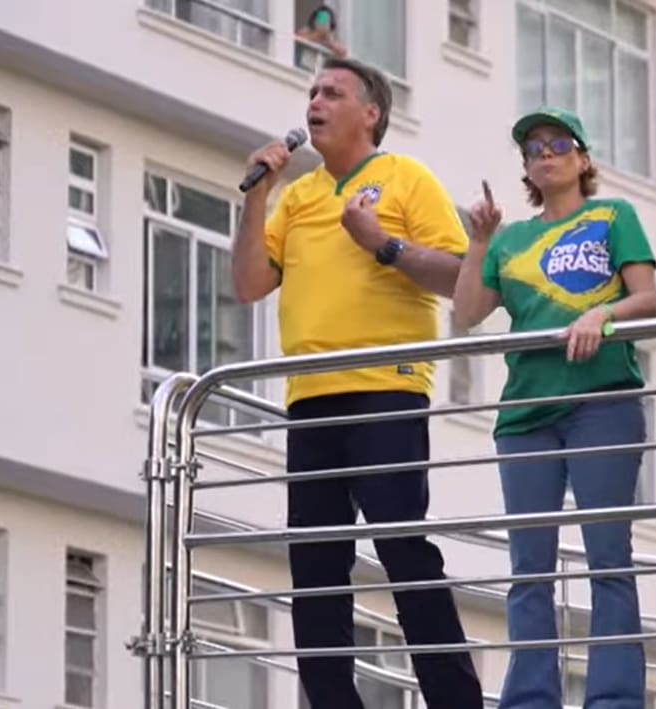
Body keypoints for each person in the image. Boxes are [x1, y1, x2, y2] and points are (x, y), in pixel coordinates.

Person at [232, 58, 482, 709]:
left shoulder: (405, 178)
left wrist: (384, 245)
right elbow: (249, 284)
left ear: (370, 113)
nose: (316, 100)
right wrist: (257, 194)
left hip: (385, 387)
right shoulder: (298, 195)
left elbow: (460, 278)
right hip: (310, 397)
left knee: (402, 546)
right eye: (312, 91)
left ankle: (454, 699)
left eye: (332, 92)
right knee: (315, 566)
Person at [451, 107, 656, 709]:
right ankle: (531, 698)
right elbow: (466, 314)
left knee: (608, 557)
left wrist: (601, 313)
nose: (545, 154)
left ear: (583, 158)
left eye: (558, 143)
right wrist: (479, 241)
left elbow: (647, 299)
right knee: (529, 570)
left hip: (601, 402)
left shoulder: (613, 216)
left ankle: (615, 699)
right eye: (533, 148)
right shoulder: (511, 239)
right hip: (525, 413)